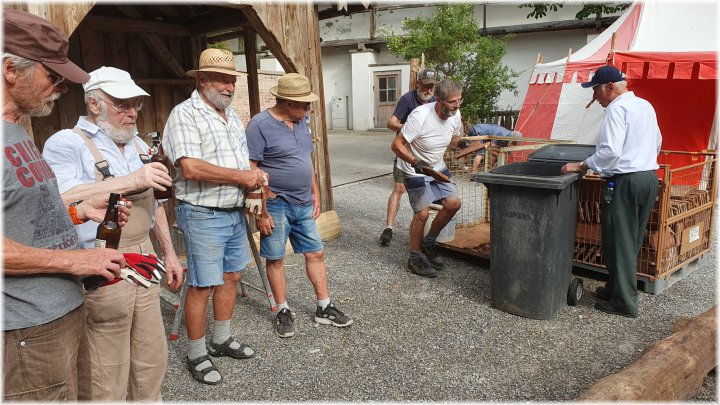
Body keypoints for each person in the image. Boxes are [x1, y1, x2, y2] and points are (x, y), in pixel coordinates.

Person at [2, 10, 127, 401]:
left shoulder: (16, 130)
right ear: (10, 69)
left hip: (62, 310)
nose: (59, 87)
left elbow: (19, 213)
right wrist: (77, 261)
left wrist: (78, 212)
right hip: (26, 328)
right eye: (52, 76)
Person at [42, 66, 184, 400]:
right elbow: (61, 199)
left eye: (135, 104)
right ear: (94, 104)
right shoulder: (66, 143)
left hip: (144, 255)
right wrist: (132, 180)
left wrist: (170, 252)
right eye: (122, 104)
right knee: (106, 361)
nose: (132, 111)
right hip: (101, 261)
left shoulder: (135, 143)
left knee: (151, 353)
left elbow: (154, 204)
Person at [162, 48, 268, 385]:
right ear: (203, 80)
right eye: (222, 79)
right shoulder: (185, 114)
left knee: (232, 277)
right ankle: (196, 353)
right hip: (202, 212)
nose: (229, 86)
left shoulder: (230, 115)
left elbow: (242, 164)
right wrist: (242, 178)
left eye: (232, 80)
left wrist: (255, 176)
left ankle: (220, 339)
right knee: (202, 285)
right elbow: (190, 168)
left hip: (234, 210)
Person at [246, 73, 353, 338]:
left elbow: (306, 161)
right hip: (276, 203)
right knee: (276, 258)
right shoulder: (259, 125)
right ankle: (282, 310)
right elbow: (251, 170)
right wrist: (261, 212)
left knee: (316, 253)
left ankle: (324, 306)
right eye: (304, 104)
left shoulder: (302, 122)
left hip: (304, 203)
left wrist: (315, 193)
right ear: (288, 103)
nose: (309, 109)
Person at [561, 65, 661, 318]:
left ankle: (625, 303)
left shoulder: (616, 109)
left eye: (596, 90)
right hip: (648, 178)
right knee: (633, 239)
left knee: (618, 241)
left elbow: (610, 150)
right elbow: (658, 141)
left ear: (610, 87)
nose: (594, 97)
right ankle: (617, 289)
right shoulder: (645, 105)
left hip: (626, 181)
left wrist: (583, 165)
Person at [391, 79, 464, 278]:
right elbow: (397, 145)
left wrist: (464, 144)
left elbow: (454, 138)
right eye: (452, 102)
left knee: (453, 204)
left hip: (437, 167)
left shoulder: (455, 114)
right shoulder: (420, 116)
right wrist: (415, 162)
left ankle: (429, 242)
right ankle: (414, 257)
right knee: (422, 214)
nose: (457, 106)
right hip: (414, 168)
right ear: (438, 100)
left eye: (459, 101)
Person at [380, 68, 437, 246]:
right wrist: (410, 127)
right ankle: (388, 228)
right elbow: (391, 123)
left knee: (421, 190)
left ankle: (417, 231)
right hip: (404, 151)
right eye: (426, 86)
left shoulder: (436, 101)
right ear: (418, 83)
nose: (428, 90)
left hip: (425, 155)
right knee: (399, 188)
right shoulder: (407, 99)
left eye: (432, 87)